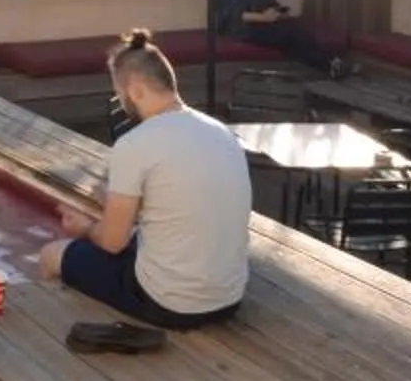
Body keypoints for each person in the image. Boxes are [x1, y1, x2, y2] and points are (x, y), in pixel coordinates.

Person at [35, 30, 252, 330]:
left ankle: (48, 340)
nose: (122, 101)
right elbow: (174, 201)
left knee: (52, 255)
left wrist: (85, 228)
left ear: (135, 90)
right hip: (229, 299)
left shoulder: (136, 143)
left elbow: (113, 243)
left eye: (120, 94)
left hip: (169, 303)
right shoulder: (221, 132)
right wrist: (107, 202)